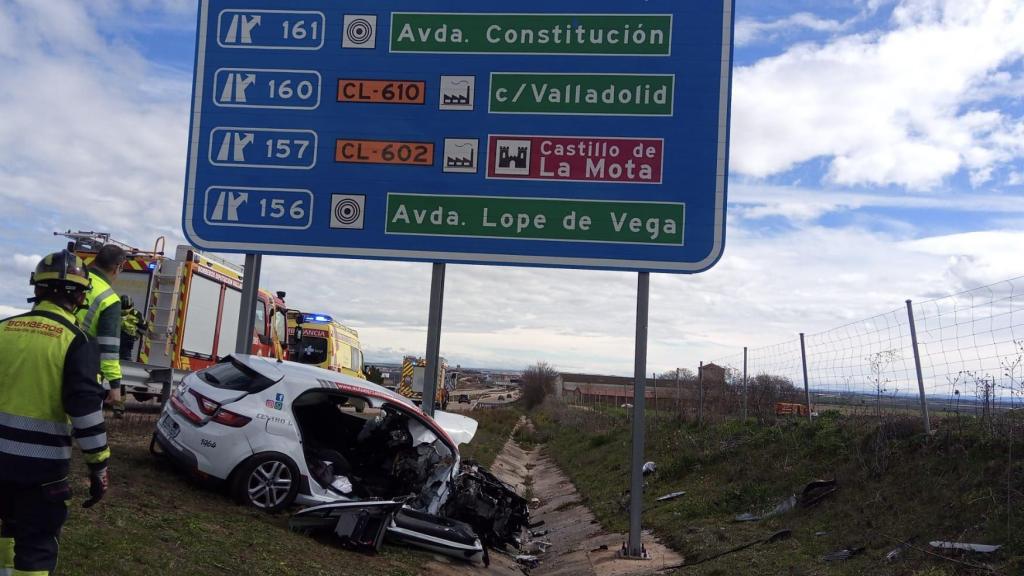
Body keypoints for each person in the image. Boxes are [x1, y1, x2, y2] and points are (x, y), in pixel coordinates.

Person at [0, 250, 110, 576]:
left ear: (37, 288)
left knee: (5, 533)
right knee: (35, 547)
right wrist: (99, 466)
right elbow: (86, 412)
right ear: (80, 296)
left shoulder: (3, 329)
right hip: (40, 471)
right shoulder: (77, 341)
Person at [76, 244, 125, 418]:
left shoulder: (73, 279)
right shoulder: (109, 299)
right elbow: (108, 351)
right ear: (118, 267)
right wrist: (115, 388)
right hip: (78, 370)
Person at [119, 294, 146, 361]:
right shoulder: (136, 314)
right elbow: (144, 327)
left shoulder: (114, 312)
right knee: (126, 358)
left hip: (115, 338)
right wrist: (137, 335)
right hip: (129, 340)